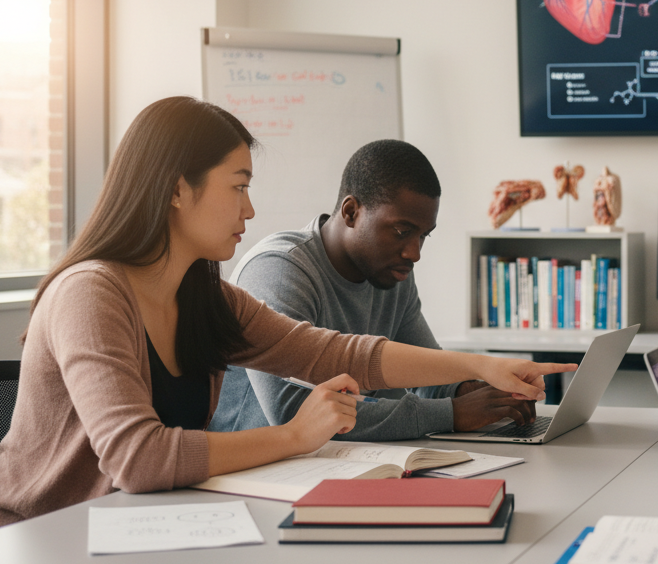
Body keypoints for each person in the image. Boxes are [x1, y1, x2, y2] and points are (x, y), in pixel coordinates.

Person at [0, 97, 573, 533]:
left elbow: (333, 353)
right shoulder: (91, 293)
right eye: (238, 186)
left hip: (137, 528)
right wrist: (293, 437)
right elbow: (139, 458)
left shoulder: (203, 294)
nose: (250, 208)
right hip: (35, 545)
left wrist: (481, 365)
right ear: (177, 189)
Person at [211, 139, 535, 438]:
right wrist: (451, 413)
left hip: (355, 458)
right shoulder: (279, 270)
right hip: (268, 468)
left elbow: (429, 377)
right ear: (351, 212)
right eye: (402, 231)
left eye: (423, 235)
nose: (414, 253)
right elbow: (292, 412)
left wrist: (475, 392)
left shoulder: (391, 272)